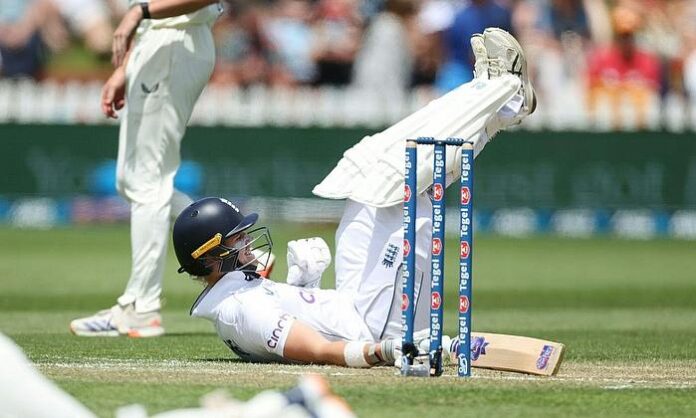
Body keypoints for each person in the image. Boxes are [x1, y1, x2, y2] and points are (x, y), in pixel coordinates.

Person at [174, 28, 536, 367]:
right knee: (401, 180)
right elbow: (319, 350)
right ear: (212, 256)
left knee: (368, 164)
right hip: (377, 328)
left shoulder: (240, 291)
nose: (249, 243)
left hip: (354, 301)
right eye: (239, 238)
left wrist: (304, 284)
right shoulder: (238, 311)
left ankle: (501, 103)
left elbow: (307, 323)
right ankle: (501, 88)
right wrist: (387, 350)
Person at [70, 0, 224, 337]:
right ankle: (235, 250)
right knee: (133, 180)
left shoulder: (150, 16)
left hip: (174, 43)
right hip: (158, 45)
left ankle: (142, 307)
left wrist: (139, 11)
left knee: (147, 182)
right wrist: (126, 68)